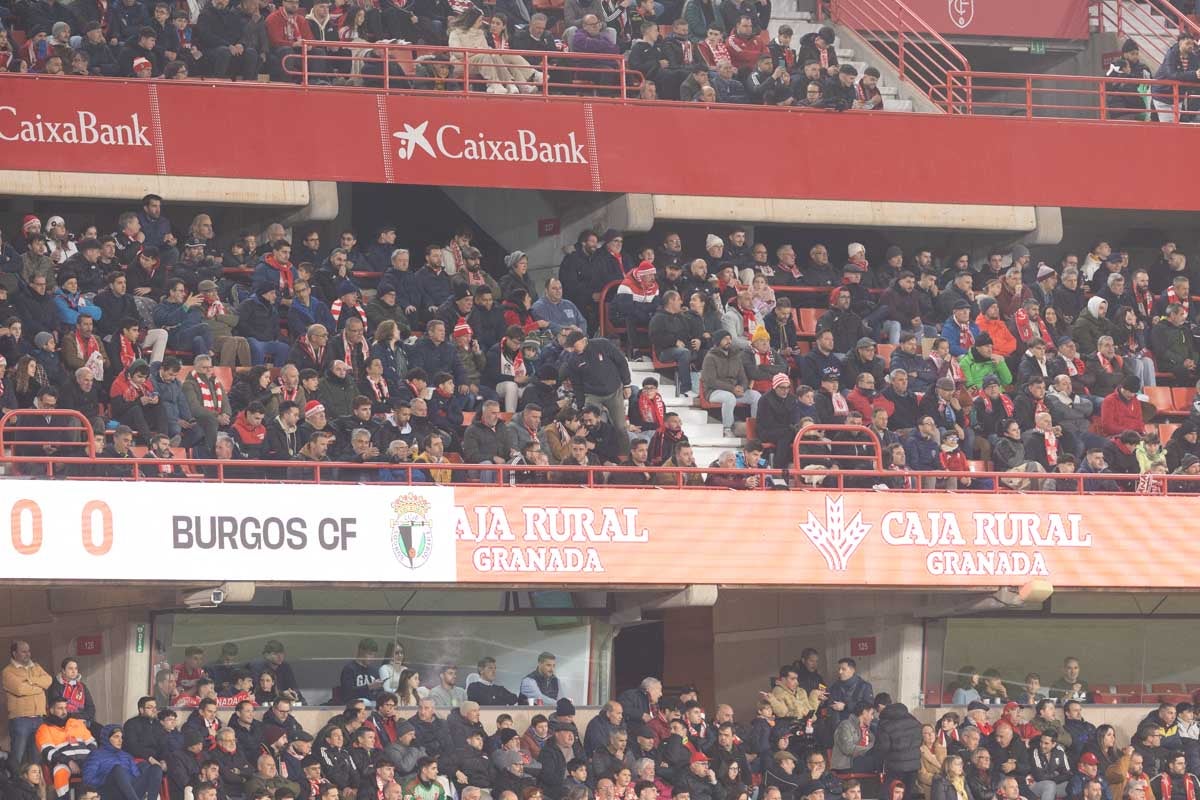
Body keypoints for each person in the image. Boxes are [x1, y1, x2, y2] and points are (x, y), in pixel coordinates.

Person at [5, 640, 54, 767]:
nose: (28, 654)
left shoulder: (36, 667)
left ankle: (34, 786)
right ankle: (14, 784)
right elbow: (20, 689)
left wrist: (30, 681)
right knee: (18, 756)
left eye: (29, 651)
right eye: (24, 651)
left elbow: (48, 681)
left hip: (39, 718)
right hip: (20, 720)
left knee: (36, 757)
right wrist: (39, 687)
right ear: (14, 654)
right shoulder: (7, 671)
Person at [83, 725, 165, 800]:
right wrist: (107, 777)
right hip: (110, 791)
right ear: (107, 739)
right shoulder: (96, 754)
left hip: (130, 791)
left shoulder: (126, 756)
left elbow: (136, 775)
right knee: (117, 769)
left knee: (156, 768)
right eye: (116, 737)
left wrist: (144, 769)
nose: (120, 740)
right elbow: (88, 780)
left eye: (121, 737)